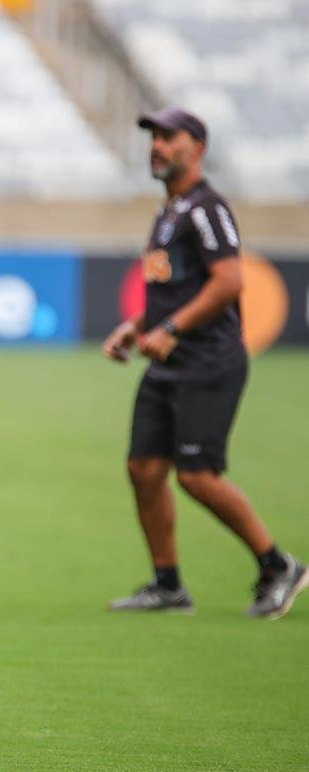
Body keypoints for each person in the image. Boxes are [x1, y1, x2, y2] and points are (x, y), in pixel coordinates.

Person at [102, 107, 307, 618]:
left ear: (197, 148)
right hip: (170, 361)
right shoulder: (168, 213)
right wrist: (137, 325)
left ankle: (277, 565)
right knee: (144, 469)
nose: (156, 145)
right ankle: (168, 584)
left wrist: (170, 329)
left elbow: (229, 282)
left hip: (208, 360)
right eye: (152, 136)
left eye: (168, 137)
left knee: (197, 475)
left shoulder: (205, 209)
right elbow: (171, 286)